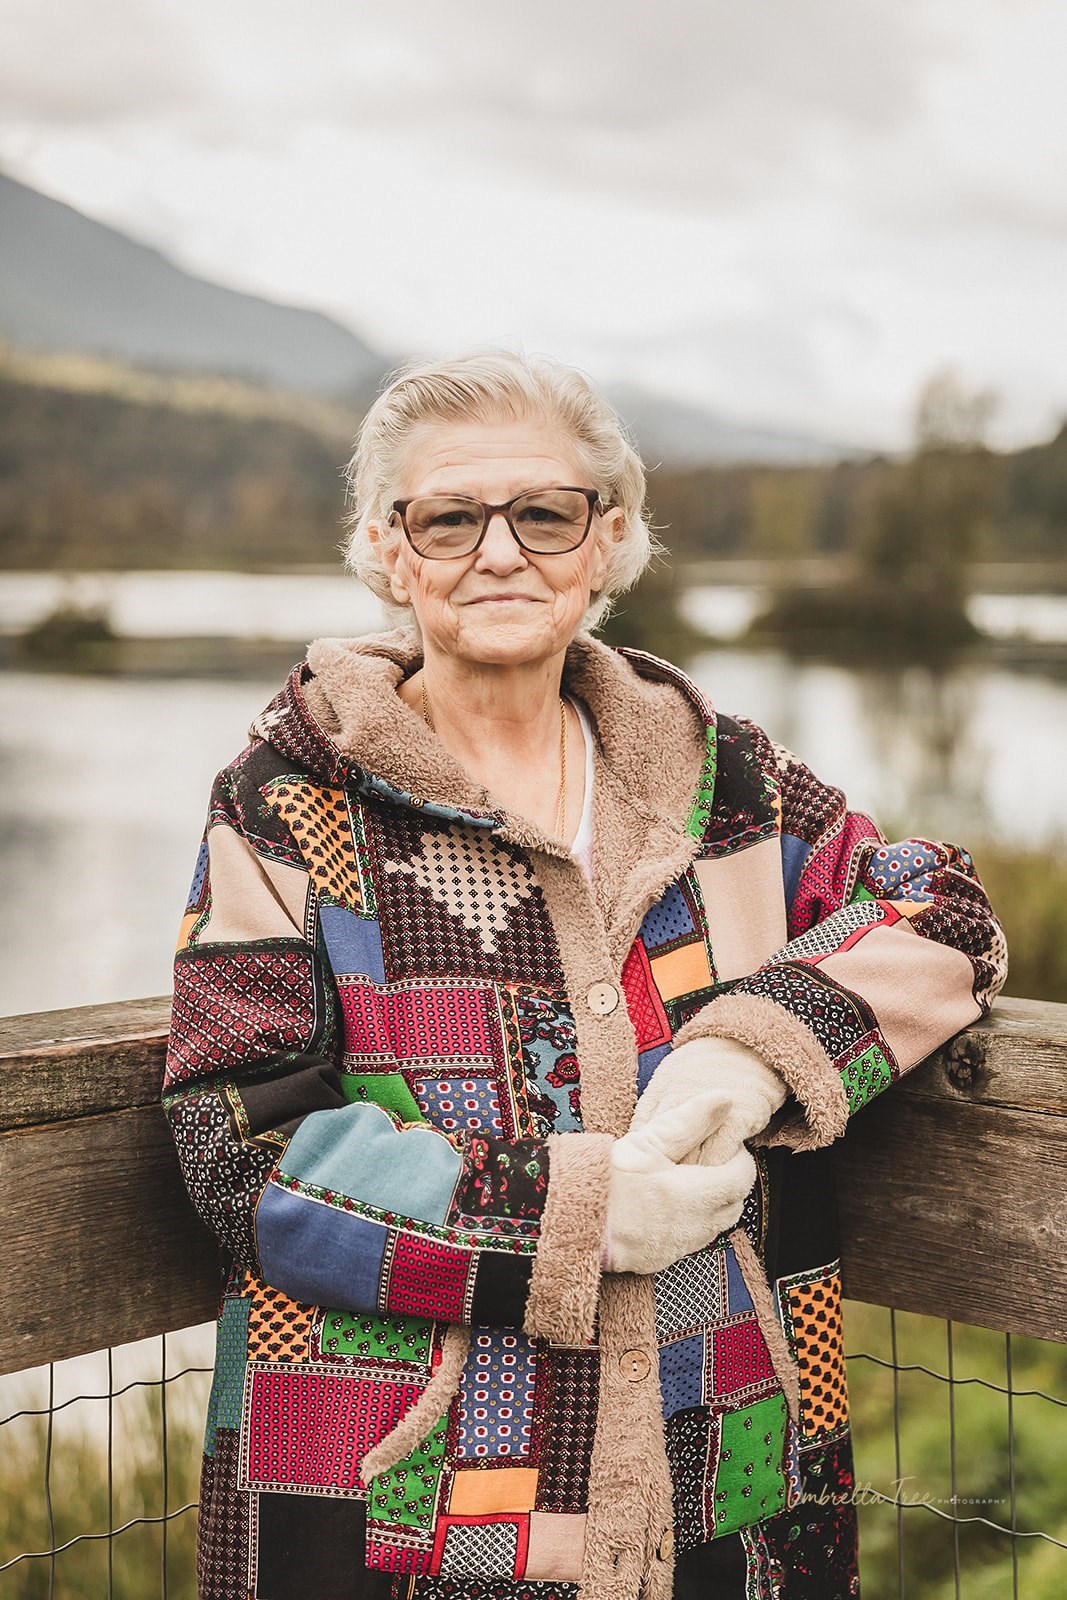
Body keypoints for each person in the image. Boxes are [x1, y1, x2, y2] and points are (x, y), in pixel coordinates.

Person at [164, 351, 1007, 1600]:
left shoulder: (726, 779)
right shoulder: (290, 801)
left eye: (544, 514)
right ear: (389, 551)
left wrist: (758, 1041)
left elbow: (943, 911)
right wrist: (576, 1214)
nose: (498, 552)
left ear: (606, 541)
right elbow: (240, 1145)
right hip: (399, 1488)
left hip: (720, 1445)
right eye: (449, 517)